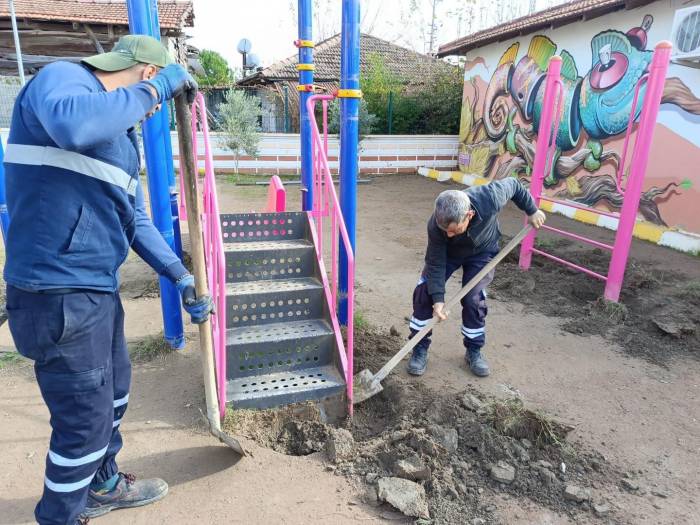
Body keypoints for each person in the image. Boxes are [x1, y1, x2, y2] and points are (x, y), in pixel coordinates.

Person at [3, 35, 212, 525]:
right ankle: (60, 516)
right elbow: (75, 126)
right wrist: (161, 88)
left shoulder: (120, 143)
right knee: (83, 422)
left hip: (95, 291)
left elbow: (132, 218)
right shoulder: (62, 81)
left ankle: (103, 484)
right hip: (57, 293)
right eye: (149, 95)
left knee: (114, 395)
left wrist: (179, 275)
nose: (146, 111)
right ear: (143, 73)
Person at [407, 180, 546, 378]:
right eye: (445, 229)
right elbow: (436, 263)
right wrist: (438, 300)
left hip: (483, 251)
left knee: (474, 298)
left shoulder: (489, 197)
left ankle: (474, 349)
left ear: (469, 215)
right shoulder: (437, 226)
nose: (448, 234)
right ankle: (419, 347)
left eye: (454, 230)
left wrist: (532, 210)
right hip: (449, 254)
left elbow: (515, 185)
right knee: (424, 292)